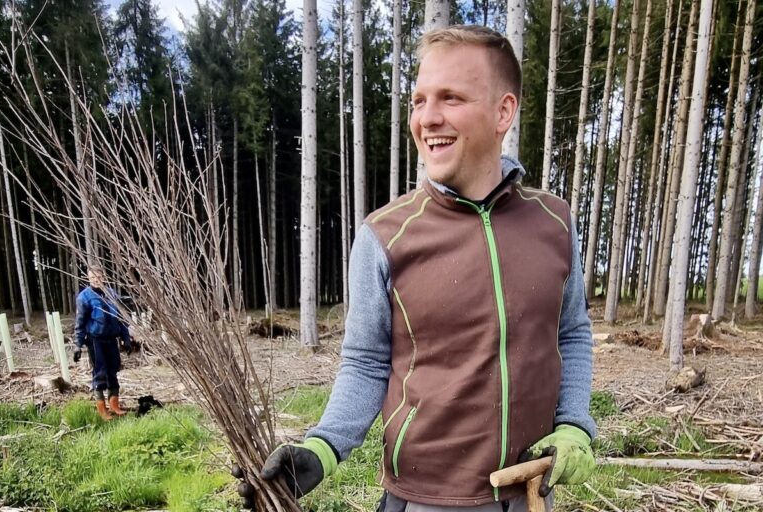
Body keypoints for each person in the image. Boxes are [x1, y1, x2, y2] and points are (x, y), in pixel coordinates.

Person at [238, 25, 595, 511]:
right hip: (426, 500)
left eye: (450, 98)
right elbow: (365, 361)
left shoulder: (554, 221)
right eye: (418, 100)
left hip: (530, 492)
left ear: (503, 112)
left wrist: (574, 427)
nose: (428, 118)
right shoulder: (385, 236)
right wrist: (323, 447)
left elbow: (571, 331)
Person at [73, 265, 132, 420]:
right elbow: (79, 323)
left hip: (111, 339)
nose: (96, 281)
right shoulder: (84, 297)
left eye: (98, 277)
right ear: (88, 278)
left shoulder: (112, 294)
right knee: (100, 372)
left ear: (104, 277)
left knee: (113, 370)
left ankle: (114, 405)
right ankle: (101, 408)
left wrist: (126, 338)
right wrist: (77, 345)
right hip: (95, 340)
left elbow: (121, 319)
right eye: (93, 278)